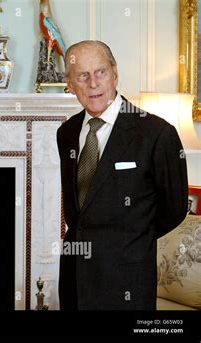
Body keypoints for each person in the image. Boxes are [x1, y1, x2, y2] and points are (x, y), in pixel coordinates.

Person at [56, 40, 188, 310]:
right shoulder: (66, 133)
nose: (93, 83)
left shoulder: (156, 133)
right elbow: (78, 208)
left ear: (115, 74)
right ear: (70, 83)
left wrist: (129, 238)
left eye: (100, 72)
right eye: (82, 75)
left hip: (126, 279)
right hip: (74, 277)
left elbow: (173, 209)